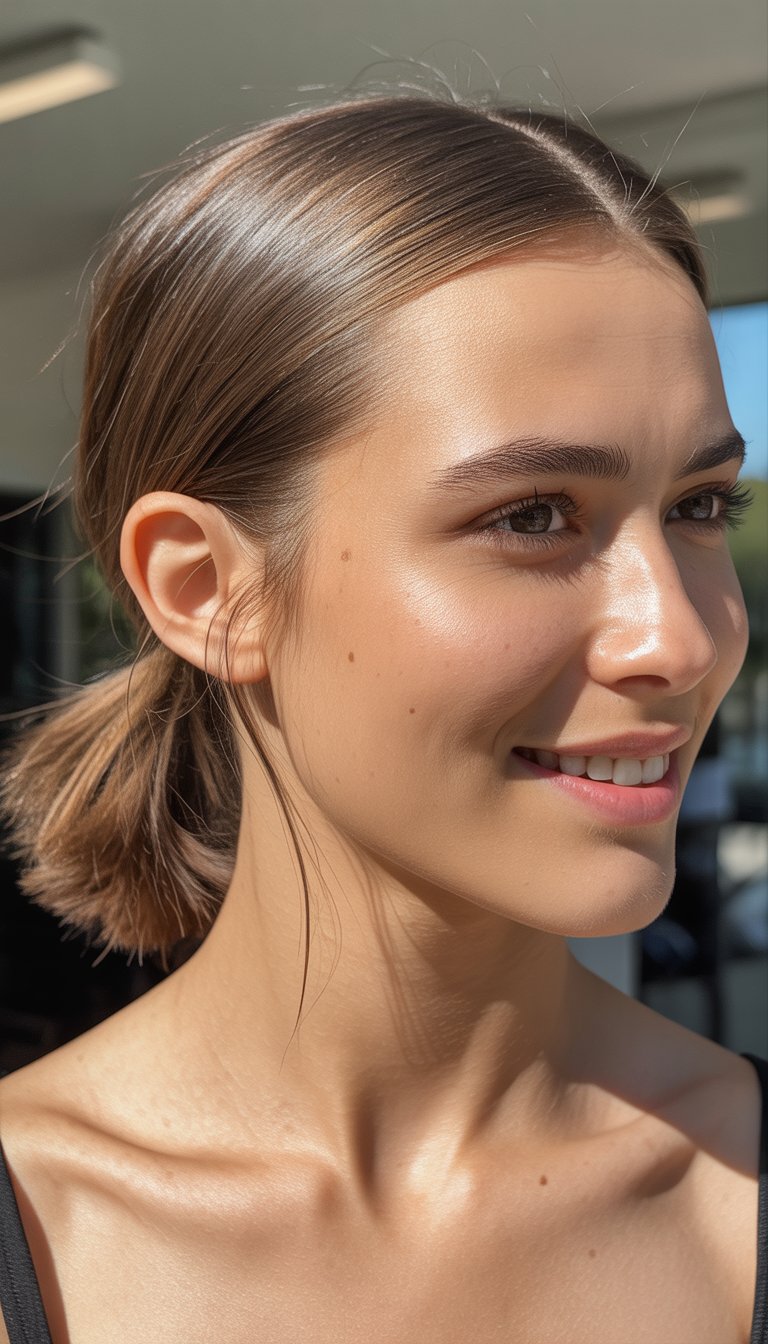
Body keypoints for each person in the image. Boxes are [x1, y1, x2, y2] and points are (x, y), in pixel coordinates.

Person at [0, 90, 765, 1344]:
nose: (679, 639)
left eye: (698, 507)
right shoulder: (38, 1234)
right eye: (533, 517)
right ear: (207, 590)